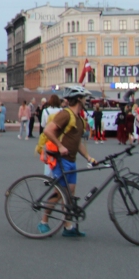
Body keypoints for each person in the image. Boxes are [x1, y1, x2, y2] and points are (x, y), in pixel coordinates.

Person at [38, 85, 98, 237]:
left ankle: (68, 226)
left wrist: (89, 158)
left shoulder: (78, 118)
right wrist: (60, 146)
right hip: (60, 159)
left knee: (69, 195)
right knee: (60, 194)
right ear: (79, 99)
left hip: (71, 160)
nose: (86, 100)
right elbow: (48, 130)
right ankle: (43, 221)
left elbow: (76, 142)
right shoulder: (65, 114)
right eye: (84, 97)